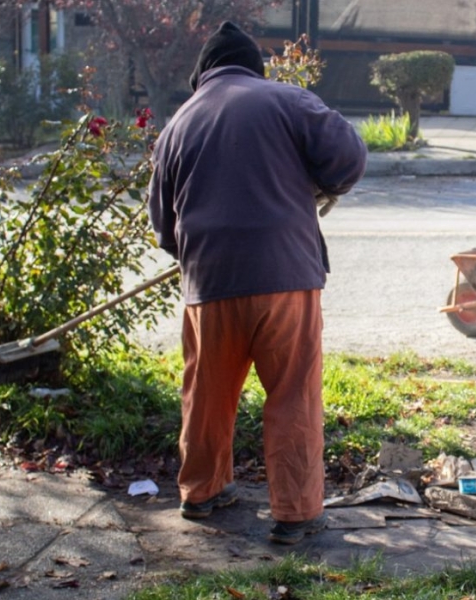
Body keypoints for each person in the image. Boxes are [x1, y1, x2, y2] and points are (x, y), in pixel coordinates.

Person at [148, 21, 367, 544]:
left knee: (206, 392)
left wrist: (198, 257)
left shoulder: (177, 124)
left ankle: (200, 492)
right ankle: (295, 515)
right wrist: (322, 185)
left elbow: (162, 222)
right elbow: (349, 157)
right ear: (254, 68)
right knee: (293, 393)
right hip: (285, 277)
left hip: (210, 281)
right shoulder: (286, 101)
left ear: (203, 74)